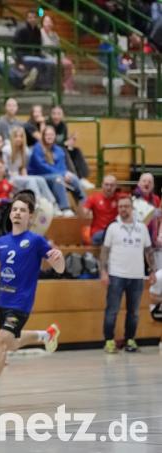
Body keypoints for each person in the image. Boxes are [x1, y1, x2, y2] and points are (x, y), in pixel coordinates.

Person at [0, 192, 64, 405]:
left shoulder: (35, 241)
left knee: (0, 344)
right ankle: (46, 335)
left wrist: (58, 259)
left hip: (21, 303)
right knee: (11, 343)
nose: (17, 213)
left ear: (31, 217)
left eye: (22, 210)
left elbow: (59, 269)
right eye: (15, 209)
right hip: (3, 302)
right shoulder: (1, 242)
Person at [100, 196, 156, 353]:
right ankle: (109, 341)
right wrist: (103, 271)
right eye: (120, 207)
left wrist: (151, 270)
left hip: (137, 276)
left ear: (132, 208)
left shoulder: (142, 228)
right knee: (112, 310)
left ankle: (130, 340)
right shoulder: (113, 227)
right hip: (116, 275)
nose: (123, 209)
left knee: (134, 312)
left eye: (126, 206)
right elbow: (104, 251)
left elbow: (148, 250)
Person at [27, 125, 86, 217]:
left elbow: (62, 166)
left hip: (56, 175)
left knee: (73, 177)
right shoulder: (37, 148)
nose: (49, 137)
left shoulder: (59, 150)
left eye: (51, 134)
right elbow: (42, 167)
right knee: (58, 179)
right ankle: (65, 208)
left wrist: (65, 174)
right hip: (39, 175)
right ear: (43, 136)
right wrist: (62, 175)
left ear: (55, 136)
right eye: (47, 135)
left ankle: (85, 204)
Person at [49, 105, 92, 188]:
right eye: (54, 113)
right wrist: (65, 144)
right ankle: (75, 179)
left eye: (58, 114)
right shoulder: (48, 125)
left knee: (76, 151)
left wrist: (70, 142)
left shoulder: (63, 126)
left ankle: (82, 178)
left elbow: (63, 141)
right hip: (51, 151)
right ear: (51, 115)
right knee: (64, 151)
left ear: (62, 115)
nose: (56, 116)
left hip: (61, 148)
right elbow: (49, 142)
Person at [13, 11, 55, 90]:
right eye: (30, 17)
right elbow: (16, 48)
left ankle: (44, 86)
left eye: (34, 17)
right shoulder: (21, 30)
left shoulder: (37, 31)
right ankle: (27, 82)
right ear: (27, 19)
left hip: (35, 56)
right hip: (24, 56)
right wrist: (19, 62)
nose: (32, 19)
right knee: (36, 66)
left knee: (49, 62)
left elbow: (38, 48)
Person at [81, 175, 122, 246]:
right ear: (102, 185)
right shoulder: (94, 198)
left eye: (112, 185)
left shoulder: (121, 199)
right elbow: (83, 213)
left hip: (115, 232)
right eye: (106, 185)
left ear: (116, 186)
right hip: (98, 233)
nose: (109, 187)